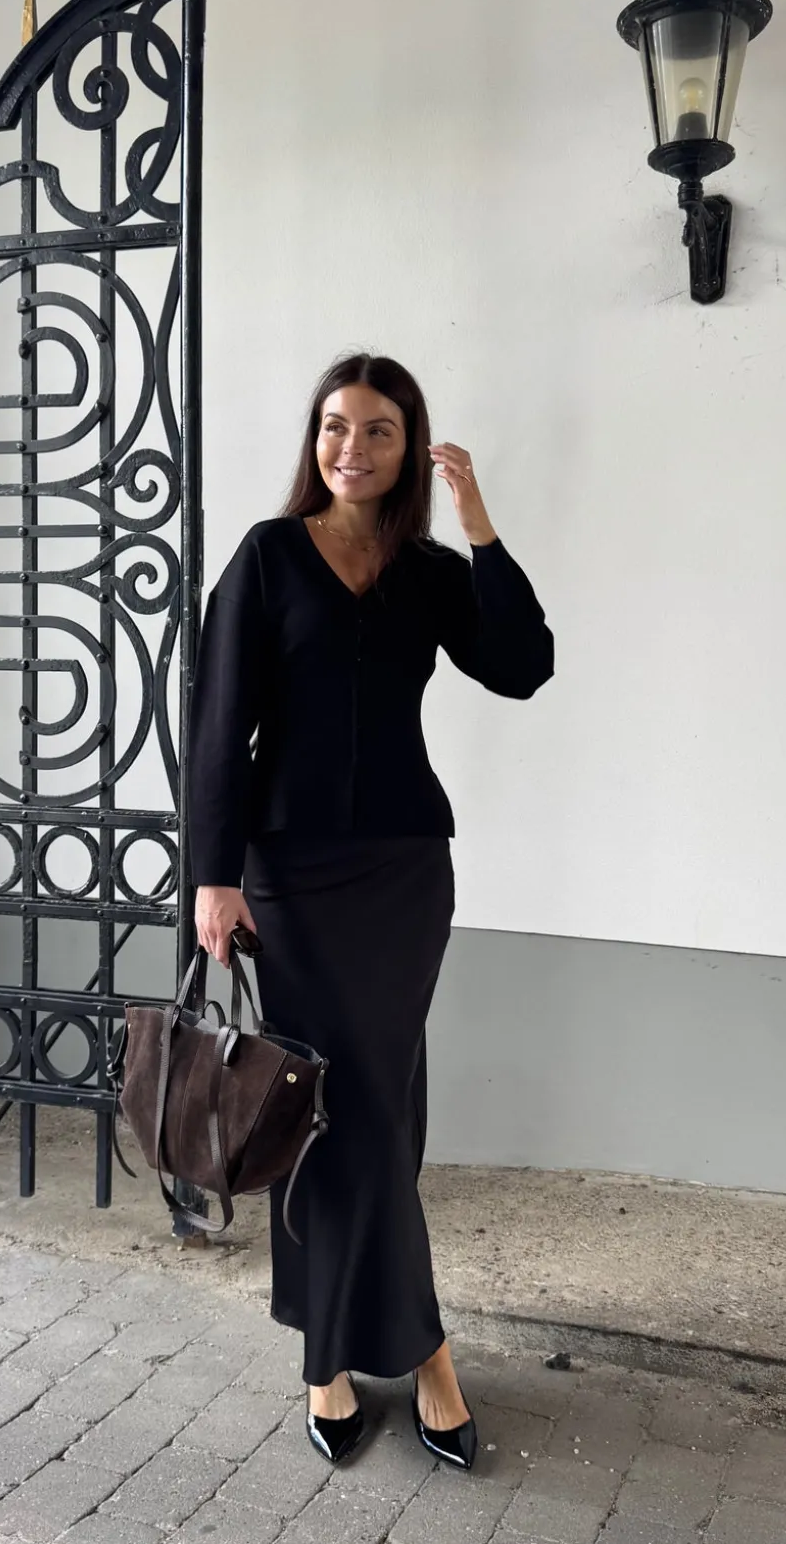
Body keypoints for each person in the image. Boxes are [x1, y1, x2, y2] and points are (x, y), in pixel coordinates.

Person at [187, 351, 554, 1468]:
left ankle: (356, 1347)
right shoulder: (267, 556)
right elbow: (218, 723)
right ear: (316, 442)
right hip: (290, 879)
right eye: (336, 426)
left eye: (378, 430)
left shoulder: (429, 570)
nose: (353, 447)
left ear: (410, 447)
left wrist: (480, 528)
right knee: (322, 1110)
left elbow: (523, 665)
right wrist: (212, 873)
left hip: (401, 874)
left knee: (381, 1111)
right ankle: (397, 1352)